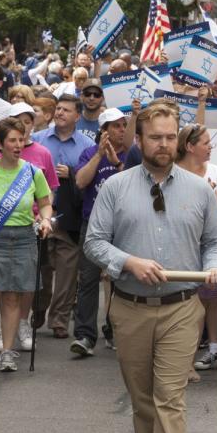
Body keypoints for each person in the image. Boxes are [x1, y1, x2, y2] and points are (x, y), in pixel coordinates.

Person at [84, 102, 217, 433]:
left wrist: (214, 266)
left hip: (183, 307)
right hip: (128, 308)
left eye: (169, 137)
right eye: (155, 137)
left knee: (169, 398)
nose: (163, 144)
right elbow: (94, 243)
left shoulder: (200, 188)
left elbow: (215, 243)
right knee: (143, 400)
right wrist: (128, 262)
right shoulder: (115, 187)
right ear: (139, 139)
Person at [0, 117, 54, 375]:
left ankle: (6, 351)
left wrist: (46, 219)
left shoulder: (32, 172)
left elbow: (45, 203)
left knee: (13, 295)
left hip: (24, 237)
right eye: (12, 140)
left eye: (21, 139)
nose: (18, 145)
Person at [70, 108, 134, 356]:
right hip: (93, 225)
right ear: (104, 131)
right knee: (87, 281)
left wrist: (116, 161)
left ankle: (115, 330)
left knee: (120, 281)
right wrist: (99, 155)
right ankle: (85, 336)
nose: (121, 130)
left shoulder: (130, 155)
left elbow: (129, 184)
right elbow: (81, 182)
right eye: (115, 126)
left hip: (122, 227)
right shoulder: (88, 153)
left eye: (123, 125)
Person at [31, 93, 95, 339]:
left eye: (66, 110)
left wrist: (73, 173)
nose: (59, 113)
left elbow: (88, 181)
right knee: (42, 269)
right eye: (58, 109)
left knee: (68, 273)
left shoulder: (86, 146)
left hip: (69, 218)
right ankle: (37, 310)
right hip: (40, 215)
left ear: (77, 116)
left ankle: (59, 320)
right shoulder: (37, 140)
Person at [175, 123, 217, 373]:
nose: (211, 148)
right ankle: (185, 360)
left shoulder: (216, 171)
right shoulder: (172, 171)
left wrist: (207, 195)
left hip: (210, 243)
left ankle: (214, 347)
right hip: (182, 244)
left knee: (211, 299)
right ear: (189, 146)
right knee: (189, 302)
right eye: (206, 143)